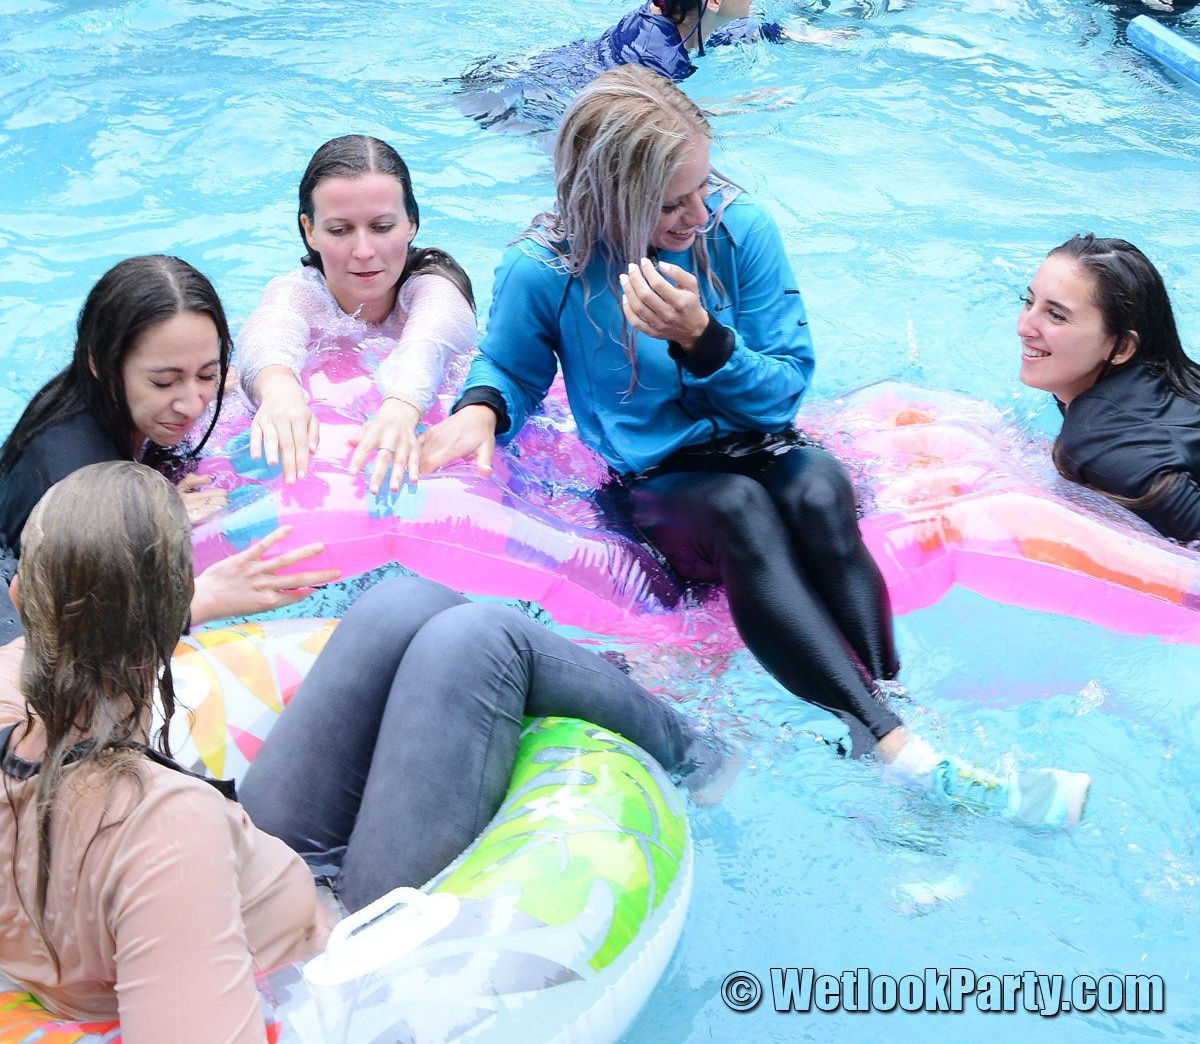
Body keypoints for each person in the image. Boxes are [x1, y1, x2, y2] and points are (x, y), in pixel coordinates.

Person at [421, 67, 1089, 825]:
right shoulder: (547, 269)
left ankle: (888, 719)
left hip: (763, 440)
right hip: (655, 481)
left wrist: (703, 339)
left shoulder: (742, 231)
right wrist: (481, 409)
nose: (697, 213)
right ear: (611, 199)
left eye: (703, 187)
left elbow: (784, 389)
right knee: (738, 507)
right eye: (671, 203)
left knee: (820, 487)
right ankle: (891, 742)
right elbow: (510, 367)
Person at [0, 463, 721, 1036]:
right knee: (482, 637)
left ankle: (677, 733)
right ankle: (702, 757)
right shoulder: (163, 825)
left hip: (256, 876)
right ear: (167, 615)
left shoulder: (13, 705)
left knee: (402, 602)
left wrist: (186, 604)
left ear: (20, 597)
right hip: (330, 951)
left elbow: (60, 643)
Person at [0, 256, 338, 646]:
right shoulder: (74, 476)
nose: (192, 405)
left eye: (206, 374)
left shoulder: (94, 396)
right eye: (164, 382)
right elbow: (80, 640)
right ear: (99, 362)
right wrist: (204, 599)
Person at [238, 135, 477, 492]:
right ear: (310, 230)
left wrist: (401, 406)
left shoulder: (434, 289)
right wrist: (278, 390)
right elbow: (271, 330)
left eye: (382, 227)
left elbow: (428, 342)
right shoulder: (301, 294)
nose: (363, 251)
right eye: (340, 230)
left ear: (411, 224)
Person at [458, 0, 835, 131]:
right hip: (524, 100)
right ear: (712, 0)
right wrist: (744, 105)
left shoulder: (677, 11)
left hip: (529, 72)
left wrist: (792, 35)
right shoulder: (656, 57)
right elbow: (655, 117)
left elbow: (725, 33)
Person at [1018, 234, 1200, 545]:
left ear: (1121, 347)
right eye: (1029, 301)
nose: (1024, 327)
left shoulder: (1098, 447)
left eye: (1056, 315)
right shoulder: (1174, 376)